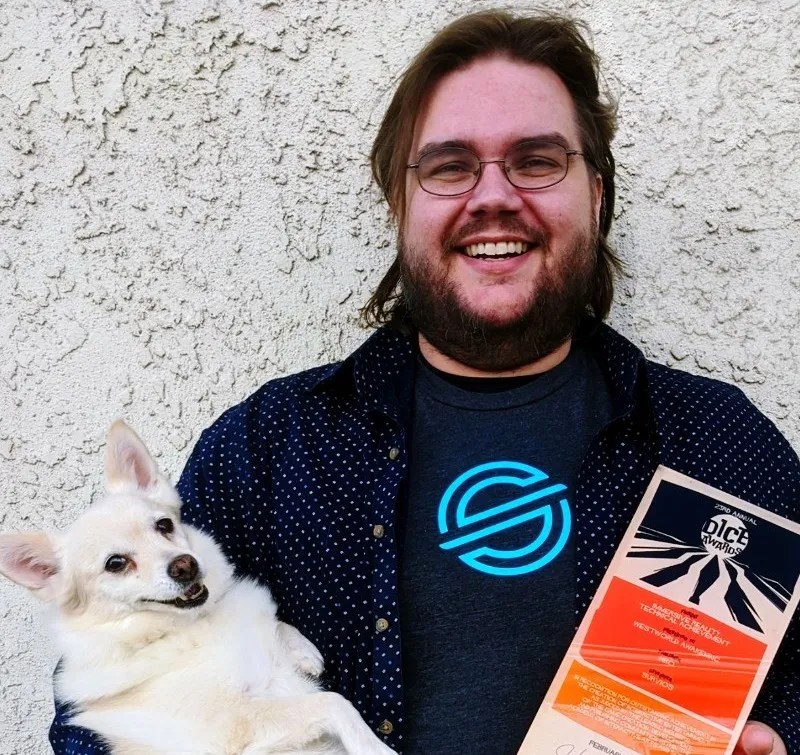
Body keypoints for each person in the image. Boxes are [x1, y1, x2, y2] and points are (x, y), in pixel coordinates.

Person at [50, 10, 798, 755]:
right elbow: (95, 713)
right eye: (449, 166)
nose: (494, 196)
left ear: (596, 195)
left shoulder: (717, 440)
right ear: (399, 203)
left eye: (537, 161)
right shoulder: (269, 450)